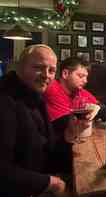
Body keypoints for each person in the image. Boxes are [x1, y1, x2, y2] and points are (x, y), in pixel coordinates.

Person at [0, 44, 67, 197]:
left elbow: (45, 148)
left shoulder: (34, 96)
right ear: (19, 67)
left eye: (51, 70)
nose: (46, 75)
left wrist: (68, 136)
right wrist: (49, 183)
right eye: (38, 67)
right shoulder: (5, 100)